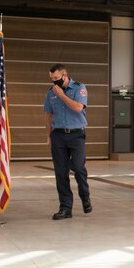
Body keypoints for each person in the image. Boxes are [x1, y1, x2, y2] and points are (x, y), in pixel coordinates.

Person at [44, 64, 91, 220]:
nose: (54, 82)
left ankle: (85, 196)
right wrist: (48, 136)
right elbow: (48, 115)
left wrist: (62, 95)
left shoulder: (79, 88)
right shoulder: (50, 93)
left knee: (78, 167)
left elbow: (78, 108)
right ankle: (65, 208)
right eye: (52, 79)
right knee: (60, 173)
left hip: (76, 135)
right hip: (58, 136)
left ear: (65, 75)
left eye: (56, 78)